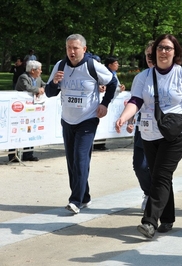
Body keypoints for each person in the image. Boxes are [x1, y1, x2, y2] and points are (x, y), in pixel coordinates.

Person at [115, 34, 182, 238]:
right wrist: (123, 117)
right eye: (160, 48)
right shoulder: (143, 77)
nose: (163, 52)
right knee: (160, 177)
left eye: (168, 48)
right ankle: (168, 218)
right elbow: (135, 101)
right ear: (154, 52)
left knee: (161, 176)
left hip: (176, 133)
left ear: (175, 52)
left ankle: (149, 221)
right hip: (149, 133)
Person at [45, 34, 117, 214]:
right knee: (72, 161)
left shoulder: (93, 66)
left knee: (80, 158)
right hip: (68, 120)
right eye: (68, 47)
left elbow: (113, 82)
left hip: (88, 119)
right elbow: (48, 93)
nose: (71, 51)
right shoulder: (60, 66)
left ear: (84, 49)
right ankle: (84, 196)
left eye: (75, 48)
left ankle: (75, 200)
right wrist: (54, 83)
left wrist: (104, 104)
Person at [126, 41, 154, 211]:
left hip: (163, 130)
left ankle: (158, 200)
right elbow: (134, 101)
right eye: (147, 55)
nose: (150, 58)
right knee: (140, 165)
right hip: (143, 127)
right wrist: (129, 120)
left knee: (160, 168)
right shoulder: (141, 77)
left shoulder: (172, 76)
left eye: (153, 54)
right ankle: (149, 193)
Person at [8, 60, 46, 162]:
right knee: (17, 131)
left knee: (31, 130)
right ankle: (13, 155)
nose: (41, 71)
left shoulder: (38, 78)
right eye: (39, 69)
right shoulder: (23, 77)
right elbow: (27, 87)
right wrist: (38, 90)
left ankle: (28, 154)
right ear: (33, 70)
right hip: (19, 110)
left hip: (32, 109)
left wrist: (42, 89)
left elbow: (44, 85)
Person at [93, 56, 126, 151]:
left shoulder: (113, 74)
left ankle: (101, 143)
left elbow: (115, 86)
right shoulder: (103, 73)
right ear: (110, 65)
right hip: (100, 102)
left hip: (108, 103)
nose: (118, 65)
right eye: (116, 63)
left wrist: (120, 88)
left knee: (105, 123)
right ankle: (97, 143)